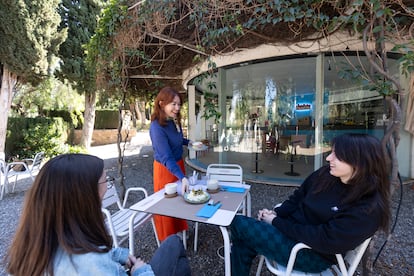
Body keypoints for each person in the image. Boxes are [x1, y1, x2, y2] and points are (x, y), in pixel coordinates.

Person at [230, 133, 391, 275]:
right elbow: (297, 198)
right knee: (243, 237)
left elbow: (324, 239)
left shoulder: (368, 208)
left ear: (360, 163)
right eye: (332, 152)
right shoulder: (326, 175)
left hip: (311, 254)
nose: (329, 158)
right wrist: (276, 214)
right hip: (292, 232)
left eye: (337, 155)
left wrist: (275, 222)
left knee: (238, 223)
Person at [6, 153, 191, 276]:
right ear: (85, 195)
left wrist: (119, 255)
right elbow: (93, 261)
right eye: (106, 182)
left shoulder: (35, 244)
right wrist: (141, 271)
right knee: (176, 249)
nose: (109, 186)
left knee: (175, 248)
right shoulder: (90, 262)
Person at [149, 87, 192, 242]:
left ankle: (178, 231)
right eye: (173, 104)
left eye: (179, 104)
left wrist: (191, 143)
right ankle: (168, 239)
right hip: (166, 170)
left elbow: (177, 140)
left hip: (178, 165)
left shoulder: (172, 121)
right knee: (167, 205)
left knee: (179, 202)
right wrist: (183, 178)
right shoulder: (156, 127)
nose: (177, 108)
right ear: (161, 103)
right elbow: (166, 157)